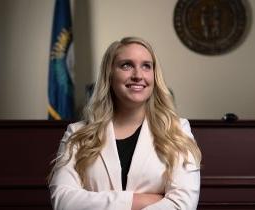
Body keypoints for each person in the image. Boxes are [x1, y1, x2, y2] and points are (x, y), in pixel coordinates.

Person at [48, 37, 202, 210]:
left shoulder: (178, 130)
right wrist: (140, 200)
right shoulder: (76, 133)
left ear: (154, 75)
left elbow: (183, 205)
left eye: (146, 66)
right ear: (110, 74)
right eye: (126, 65)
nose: (138, 75)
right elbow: (63, 201)